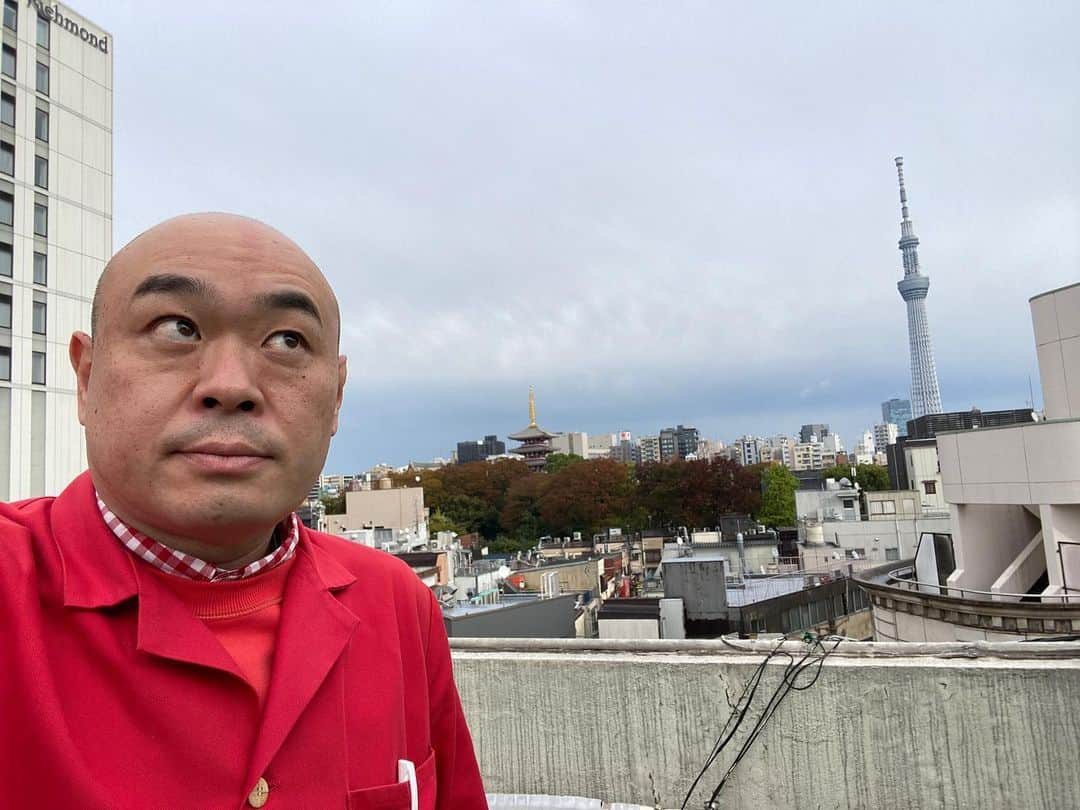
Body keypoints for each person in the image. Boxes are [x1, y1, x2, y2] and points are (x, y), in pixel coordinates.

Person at [0, 213, 488, 808]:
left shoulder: (395, 600)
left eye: (287, 340)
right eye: (177, 328)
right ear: (86, 376)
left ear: (335, 398)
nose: (231, 385)